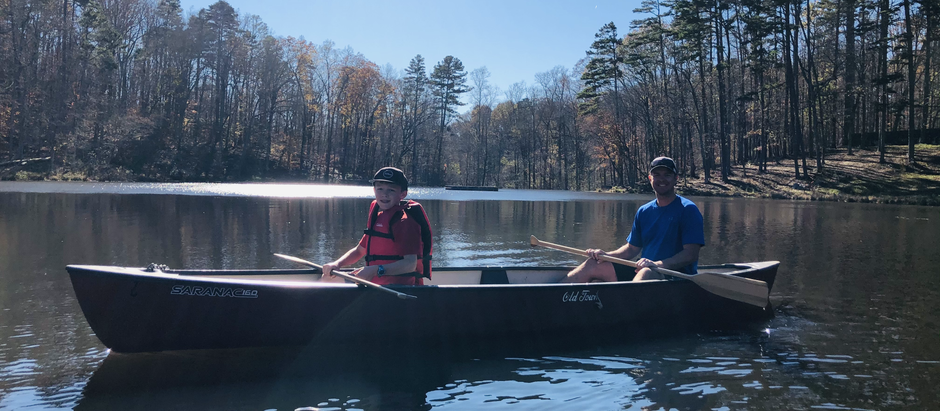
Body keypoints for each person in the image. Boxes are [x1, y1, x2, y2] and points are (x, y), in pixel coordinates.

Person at [561, 156, 704, 283]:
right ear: (650, 178)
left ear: (676, 179)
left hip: (676, 276)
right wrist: (606, 255)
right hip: (643, 270)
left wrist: (657, 264)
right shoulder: (644, 211)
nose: (661, 179)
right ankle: (554, 297)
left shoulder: (688, 210)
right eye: (656, 174)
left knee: (646, 273)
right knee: (592, 264)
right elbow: (631, 250)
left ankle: (626, 309)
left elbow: (690, 255)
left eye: (667, 175)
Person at [321, 167, 432, 285]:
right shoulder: (378, 217)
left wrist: (376, 270)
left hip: (398, 289)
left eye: (391, 190)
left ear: (403, 194)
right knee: (326, 278)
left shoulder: (404, 222)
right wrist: (337, 264)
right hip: (373, 284)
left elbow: (410, 264)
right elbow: (359, 251)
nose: (384, 194)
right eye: (380, 189)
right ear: (374, 191)